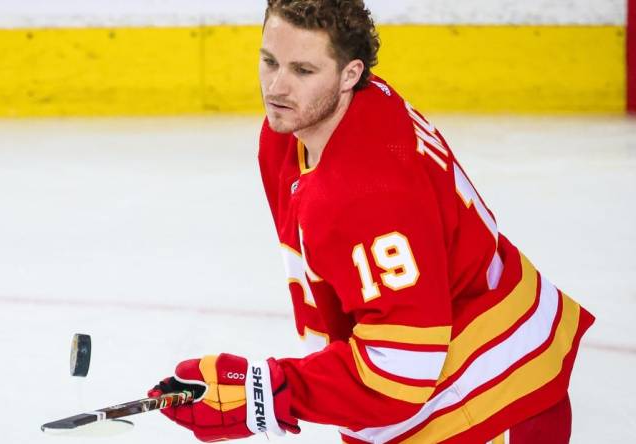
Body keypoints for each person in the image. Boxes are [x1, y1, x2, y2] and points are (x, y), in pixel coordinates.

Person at [149, 1, 594, 442]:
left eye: (303, 71)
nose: (277, 87)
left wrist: (269, 391)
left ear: (350, 74)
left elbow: (402, 369)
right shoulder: (303, 129)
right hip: (449, 386)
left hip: (487, 409)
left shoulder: (367, 193)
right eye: (269, 61)